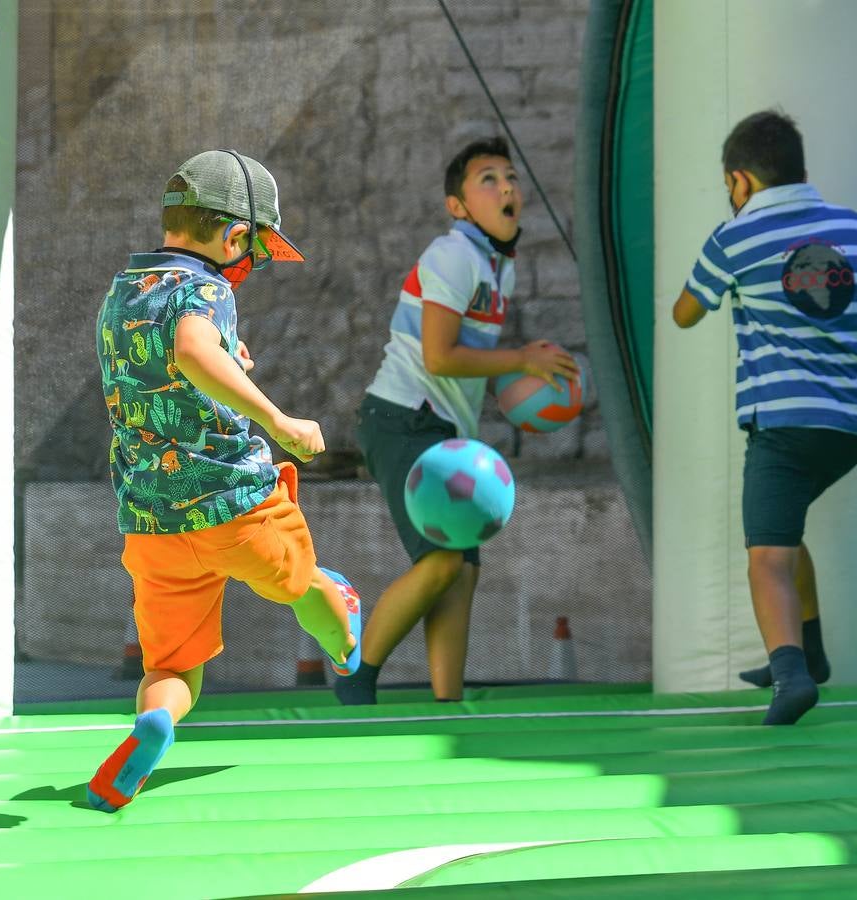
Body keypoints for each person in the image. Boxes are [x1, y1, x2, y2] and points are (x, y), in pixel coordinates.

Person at [86, 150, 362, 810]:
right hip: (234, 506)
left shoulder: (123, 291)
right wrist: (280, 419)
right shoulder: (206, 289)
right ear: (237, 238)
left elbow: (160, 359)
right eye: (256, 252)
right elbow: (188, 348)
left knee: (173, 665)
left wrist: (222, 352)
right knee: (305, 582)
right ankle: (344, 636)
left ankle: (154, 724)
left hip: (154, 519)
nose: (251, 266)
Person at [671, 110, 857, 725]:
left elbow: (684, 313)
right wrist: (839, 322)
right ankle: (807, 652)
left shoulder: (732, 237)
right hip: (851, 426)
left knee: (767, 556)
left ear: (740, 182)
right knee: (785, 532)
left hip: (783, 426)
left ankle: (790, 677)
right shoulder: (855, 227)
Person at [334, 137, 577, 705]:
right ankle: (357, 676)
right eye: (488, 178)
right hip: (402, 420)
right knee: (443, 561)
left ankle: (449, 700)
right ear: (458, 207)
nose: (508, 186)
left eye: (511, 176)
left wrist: (525, 373)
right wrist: (522, 359)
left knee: (462, 570)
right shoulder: (453, 256)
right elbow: (438, 357)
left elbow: (464, 358)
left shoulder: (498, 269)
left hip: (440, 430)